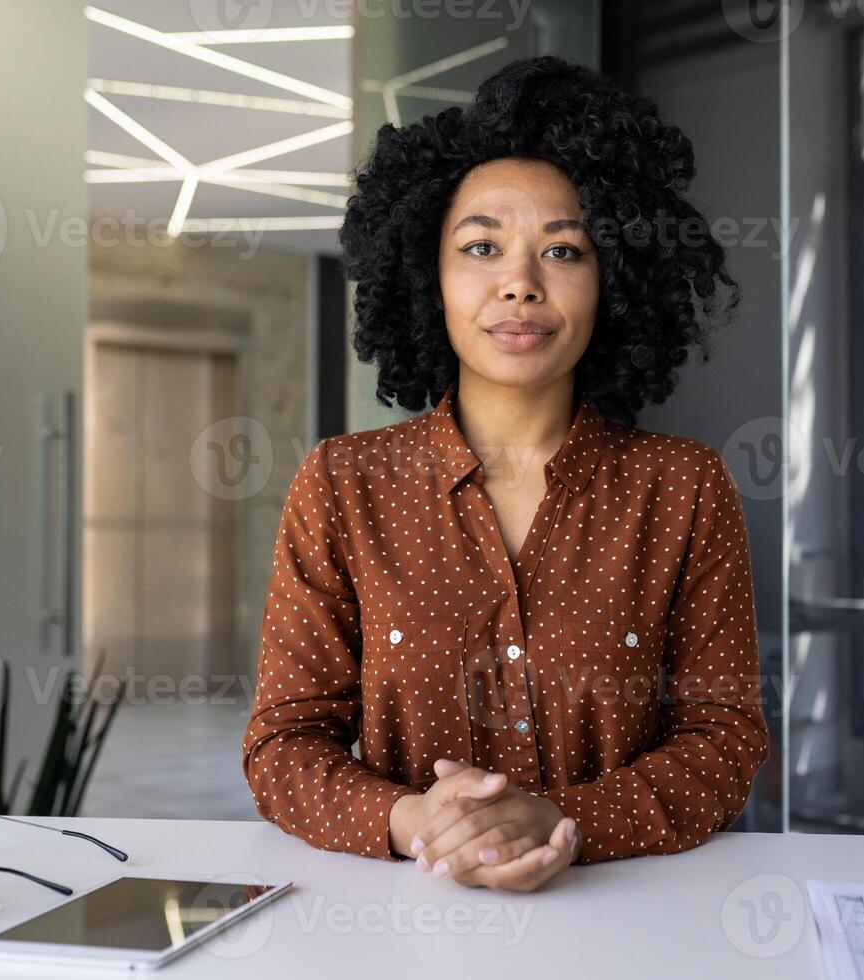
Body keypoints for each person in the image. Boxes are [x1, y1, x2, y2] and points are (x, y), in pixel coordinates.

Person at [242, 55, 768, 892]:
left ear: (613, 282)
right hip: (397, 927)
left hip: (627, 924)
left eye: (562, 251)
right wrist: (420, 824)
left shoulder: (686, 488)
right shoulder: (343, 486)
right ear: (429, 275)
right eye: (481, 247)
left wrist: (565, 823)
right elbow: (282, 745)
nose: (518, 285)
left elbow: (725, 742)